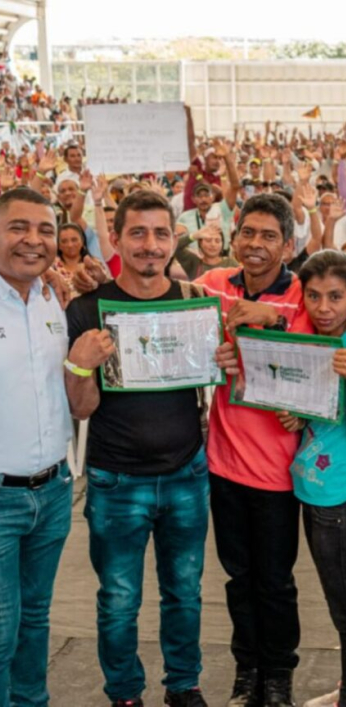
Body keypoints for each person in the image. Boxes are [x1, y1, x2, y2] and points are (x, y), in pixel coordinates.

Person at [65, 190, 213, 707]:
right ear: (118, 239)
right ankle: (125, 693)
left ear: (175, 240)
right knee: (118, 602)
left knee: (186, 595)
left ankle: (183, 685)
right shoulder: (87, 308)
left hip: (186, 475)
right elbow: (81, 408)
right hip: (116, 480)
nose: (150, 245)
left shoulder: (195, 302)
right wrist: (82, 365)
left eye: (160, 234)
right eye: (138, 233)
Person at [200, 193, 307, 707]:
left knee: (276, 582)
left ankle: (280, 675)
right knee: (238, 579)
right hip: (223, 466)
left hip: (280, 474)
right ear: (234, 236)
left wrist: (273, 319)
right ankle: (248, 671)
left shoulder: (307, 296)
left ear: (288, 244)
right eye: (248, 233)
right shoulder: (215, 285)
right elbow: (164, 302)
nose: (256, 245)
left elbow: (324, 361)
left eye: (269, 236)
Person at [0, 189, 96, 707]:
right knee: (0, 629)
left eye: (43, 229)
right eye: (18, 227)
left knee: (35, 620)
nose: (32, 240)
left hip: (54, 491)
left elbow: (74, 396)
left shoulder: (54, 302)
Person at [277, 251, 346, 707]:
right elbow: (322, 412)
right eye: (315, 296)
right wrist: (295, 417)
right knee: (338, 604)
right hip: (312, 490)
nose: (324, 306)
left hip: (343, 499)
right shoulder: (314, 341)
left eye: (336, 296)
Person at [174, 224, 238, 281]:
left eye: (217, 241)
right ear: (200, 243)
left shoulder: (230, 263)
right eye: (208, 240)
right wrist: (195, 235)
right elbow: (174, 246)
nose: (213, 244)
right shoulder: (193, 263)